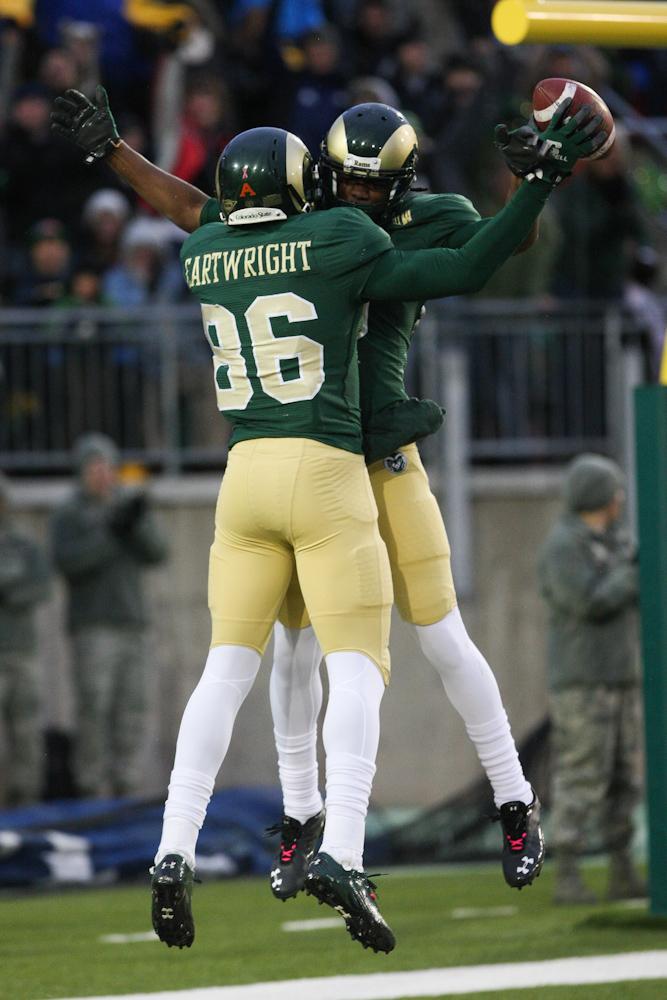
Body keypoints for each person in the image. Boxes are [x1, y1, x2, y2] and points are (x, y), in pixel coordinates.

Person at [50, 88, 604, 949]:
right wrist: (119, 157)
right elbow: (213, 212)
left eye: (370, 187)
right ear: (322, 170)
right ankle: (304, 824)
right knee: (299, 655)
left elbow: (489, 248)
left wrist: (530, 187)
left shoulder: (394, 216)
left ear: (399, 181)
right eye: (342, 181)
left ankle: (512, 798)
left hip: (369, 455)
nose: (356, 197)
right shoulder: (323, 218)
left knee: (439, 633)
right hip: (327, 463)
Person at [538, 453, 645, 904]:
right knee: (582, 775)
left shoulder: (617, 542)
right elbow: (588, 601)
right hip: (583, 682)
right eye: (614, 490)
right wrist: (632, 575)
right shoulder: (564, 546)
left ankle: (622, 869)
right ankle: (568, 874)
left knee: (624, 778)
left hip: (621, 677)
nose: (620, 498)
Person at [50, 433, 168, 799]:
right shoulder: (70, 514)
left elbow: (158, 553)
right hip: (94, 626)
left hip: (132, 623)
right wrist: (110, 533)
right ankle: (92, 788)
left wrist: (136, 522)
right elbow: (70, 563)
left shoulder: (123, 506)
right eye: (94, 467)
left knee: (132, 709)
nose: (102, 474)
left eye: (107, 466)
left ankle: (127, 786)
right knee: (94, 710)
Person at [0, 473, 51, 806]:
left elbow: (41, 587)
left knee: (26, 732)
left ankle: (27, 802)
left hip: (21, 649)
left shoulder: (23, 544)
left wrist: (10, 590)